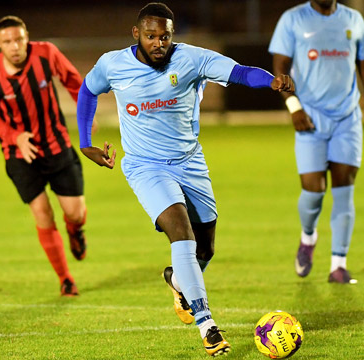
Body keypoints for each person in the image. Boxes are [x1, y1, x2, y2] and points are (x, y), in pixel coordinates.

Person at [76, 2, 294, 356]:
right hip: (146, 166)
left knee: (205, 248)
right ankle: (207, 325)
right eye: (150, 36)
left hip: (191, 163)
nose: (158, 43)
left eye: (165, 36)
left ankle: (177, 281)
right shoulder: (113, 64)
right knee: (182, 233)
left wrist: (271, 80)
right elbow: (88, 91)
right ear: (137, 35)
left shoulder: (192, 59)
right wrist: (85, 142)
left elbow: (238, 72)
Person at [269, 0, 364, 284]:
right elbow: (280, 68)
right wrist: (294, 108)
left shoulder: (354, 20)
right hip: (310, 117)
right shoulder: (293, 19)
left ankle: (338, 265)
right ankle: (308, 237)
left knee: (344, 190)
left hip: (347, 119)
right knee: (313, 192)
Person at [0, 16, 87, 296]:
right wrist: (15, 136)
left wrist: (86, 112)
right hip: (19, 154)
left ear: (27, 38)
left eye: (19, 40)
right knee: (42, 213)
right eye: (7, 42)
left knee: (76, 213)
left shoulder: (46, 54)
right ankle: (65, 278)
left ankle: (75, 230)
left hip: (56, 144)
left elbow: (74, 81)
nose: (15, 47)